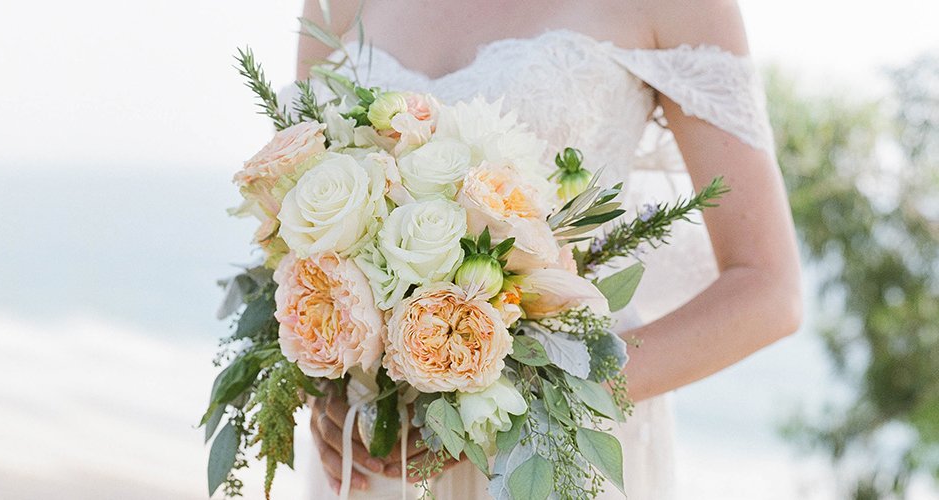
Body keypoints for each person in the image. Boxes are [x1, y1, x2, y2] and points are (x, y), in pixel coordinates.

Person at [296, 0, 803, 498]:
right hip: (380, 450)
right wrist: (320, 388)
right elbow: (291, 226)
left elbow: (769, 290)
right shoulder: (332, 4)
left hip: (551, 448)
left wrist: (529, 396)